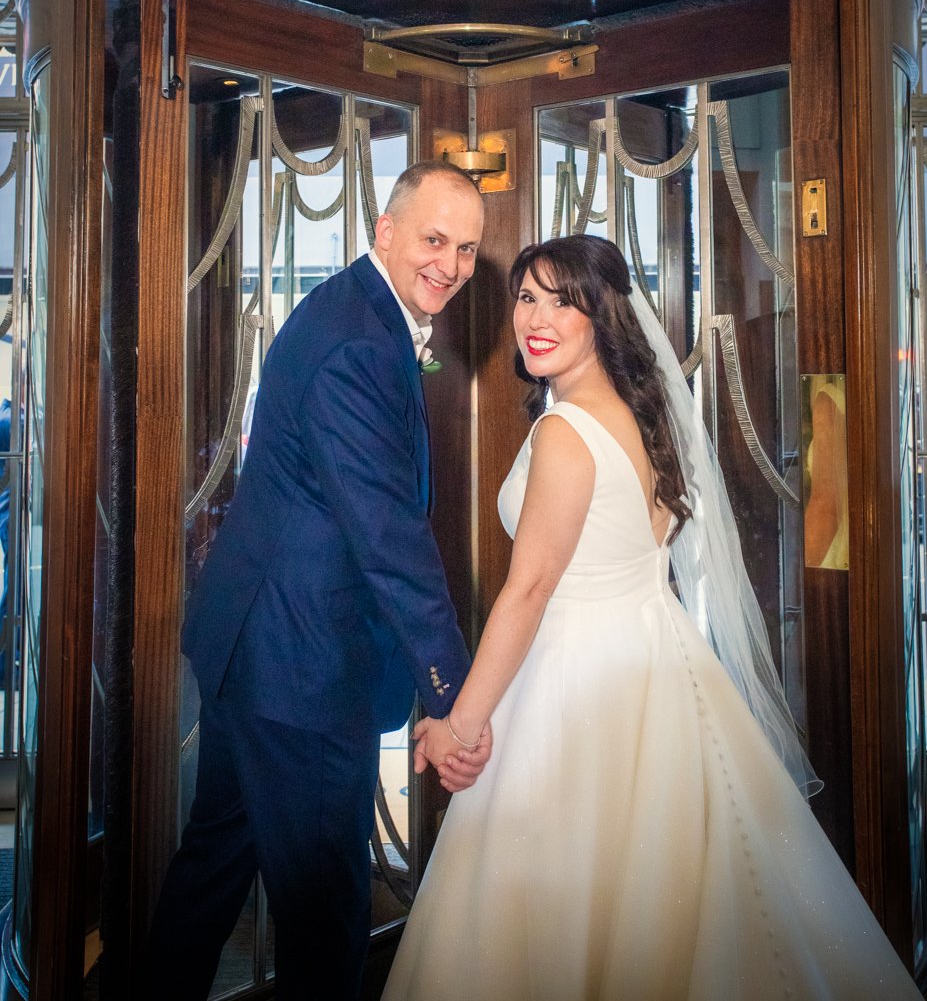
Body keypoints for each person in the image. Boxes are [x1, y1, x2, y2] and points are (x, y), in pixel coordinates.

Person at [384, 234, 920, 1001]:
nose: (535, 318)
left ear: (602, 315)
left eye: (563, 302)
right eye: (526, 298)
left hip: (573, 683)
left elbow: (529, 589)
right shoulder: (646, 416)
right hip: (659, 664)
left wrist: (460, 723)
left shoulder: (565, 432)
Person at [147, 160, 492, 1001]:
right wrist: (454, 691)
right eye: (433, 239)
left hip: (258, 645)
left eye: (468, 250)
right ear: (385, 230)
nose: (448, 264)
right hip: (296, 664)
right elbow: (387, 536)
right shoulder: (355, 343)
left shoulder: (361, 311)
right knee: (326, 908)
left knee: (216, 864)